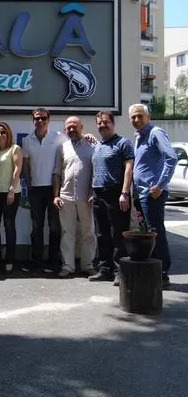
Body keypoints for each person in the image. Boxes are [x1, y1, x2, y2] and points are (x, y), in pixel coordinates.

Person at [130, 103, 177, 289]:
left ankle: (162, 274)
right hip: (141, 194)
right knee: (148, 233)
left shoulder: (155, 133)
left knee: (156, 233)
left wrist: (159, 185)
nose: (136, 119)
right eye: (133, 117)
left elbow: (171, 158)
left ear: (148, 117)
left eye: (140, 116)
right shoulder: (139, 137)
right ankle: (153, 271)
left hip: (152, 195)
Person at [89, 111, 134, 284]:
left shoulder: (123, 143)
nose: (103, 125)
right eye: (100, 123)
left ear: (113, 123)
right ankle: (105, 269)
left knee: (118, 234)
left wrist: (125, 193)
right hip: (98, 194)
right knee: (101, 234)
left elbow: (129, 169)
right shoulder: (98, 145)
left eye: (106, 122)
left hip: (116, 193)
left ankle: (119, 271)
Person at [22, 108, 66, 273]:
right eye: (37, 118)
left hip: (54, 189)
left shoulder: (58, 137)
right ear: (33, 120)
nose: (40, 121)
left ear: (49, 119)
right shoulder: (27, 140)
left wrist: (87, 137)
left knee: (54, 227)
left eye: (43, 118)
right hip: (35, 189)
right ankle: (37, 260)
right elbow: (26, 164)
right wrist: (29, 184)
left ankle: (53, 260)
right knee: (36, 227)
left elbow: (73, 147)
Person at [52, 117, 97, 278]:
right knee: (67, 233)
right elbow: (57, 173)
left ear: (81, 127)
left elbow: (97, 171)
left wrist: (93, 192)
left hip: (86, 196)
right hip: (66, 196)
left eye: (74, 126)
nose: (71, 129)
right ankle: (68, 266)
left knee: (88, 232)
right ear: (65, 130)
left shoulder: (93, 145)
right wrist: (56, 195)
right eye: (68, 127)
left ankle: (88, 265)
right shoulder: (62, 148)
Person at [0, 122, 22, 274]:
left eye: (3, 132)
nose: (0, 135)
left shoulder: (15, 148)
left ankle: (9, 259)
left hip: (10, 193)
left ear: (8, 133)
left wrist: (11, 190)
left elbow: (17, 169)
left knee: (9, 226)